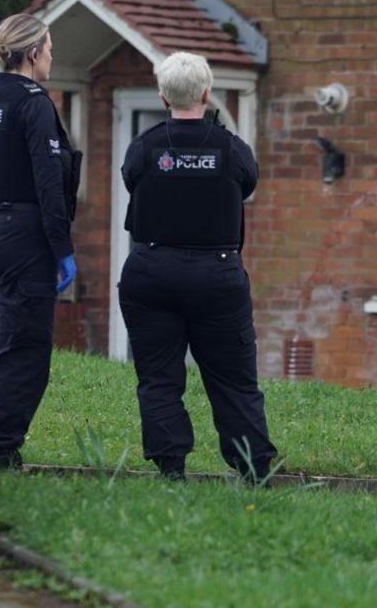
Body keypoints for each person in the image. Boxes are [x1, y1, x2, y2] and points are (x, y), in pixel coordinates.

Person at [118, 51, 277, 482]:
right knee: (233, 378)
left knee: (158, 376)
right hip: (217, 273)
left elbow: (131, 177)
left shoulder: (145, 145)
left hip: (150, 269)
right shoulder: (230, 148)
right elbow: (249, 182)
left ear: (163, 95)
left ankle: (171, 467)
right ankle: (253, 467)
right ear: (207, 93)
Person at [0, 13, 81, 470]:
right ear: (33, 53)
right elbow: (49, 181)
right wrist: (62, 248)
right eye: (49, 49)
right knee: (25, 342)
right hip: (22, 233)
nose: (52, 57)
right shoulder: (34, 102)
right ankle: (0, 446)